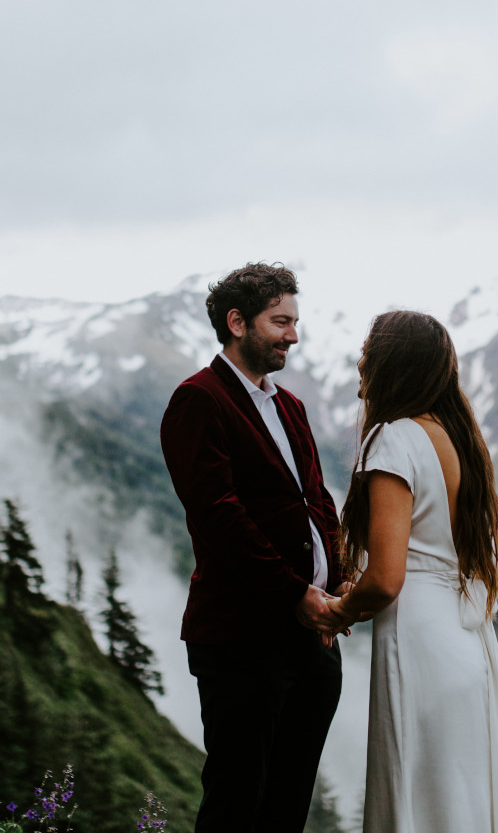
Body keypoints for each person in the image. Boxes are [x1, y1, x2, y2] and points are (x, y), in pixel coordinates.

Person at [315, 310, 498, 833]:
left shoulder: (393, 438)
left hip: (418, 639)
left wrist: (337, 610)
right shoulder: (454, 437)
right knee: (461, 799)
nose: (359, 360)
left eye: (368, 350)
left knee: (417, 795)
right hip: (466, 637)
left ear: (392, 362)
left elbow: (387, 578)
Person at [159, 262, 344, 833]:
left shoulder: (289, 405)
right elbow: (218, 516)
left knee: (288, 802)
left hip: (311, 638)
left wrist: (335, 584)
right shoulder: (198, 400)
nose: (292, 334)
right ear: (237, 323)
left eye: (294, 321)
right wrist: (295, 593)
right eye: (280, 321)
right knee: (237, 802)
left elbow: (316, 498)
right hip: (242, 640)